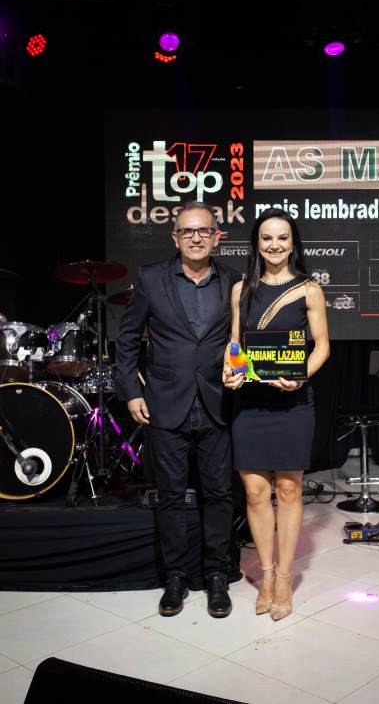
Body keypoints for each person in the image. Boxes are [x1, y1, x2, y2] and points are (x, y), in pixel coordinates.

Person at [116, 201, 241, 618]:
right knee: (170, 496)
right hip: (165, 405)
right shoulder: (151, 278)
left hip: (218, 403)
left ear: (216, 236)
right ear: (175, 237)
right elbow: (127, 339)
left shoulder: (234, 281)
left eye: (204, 230)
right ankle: (175, 577)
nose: (196, 237)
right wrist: (132, 391)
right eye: (187, 231)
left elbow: (242, 339)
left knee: (219, 494)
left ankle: (217, 574)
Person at [223, 208, 330, 621]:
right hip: (250, 404)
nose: (274, 245)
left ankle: (284, 577)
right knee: (254, 492)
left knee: (288, 489)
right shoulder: (241, 289)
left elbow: (322, 346)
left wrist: (300, 375)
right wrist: (230, 370)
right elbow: (235, 344)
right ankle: (265, 574)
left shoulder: (309, 289)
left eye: (282, 237)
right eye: (267, 238)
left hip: (292, 404)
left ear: (293, 243)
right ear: (256, 243)